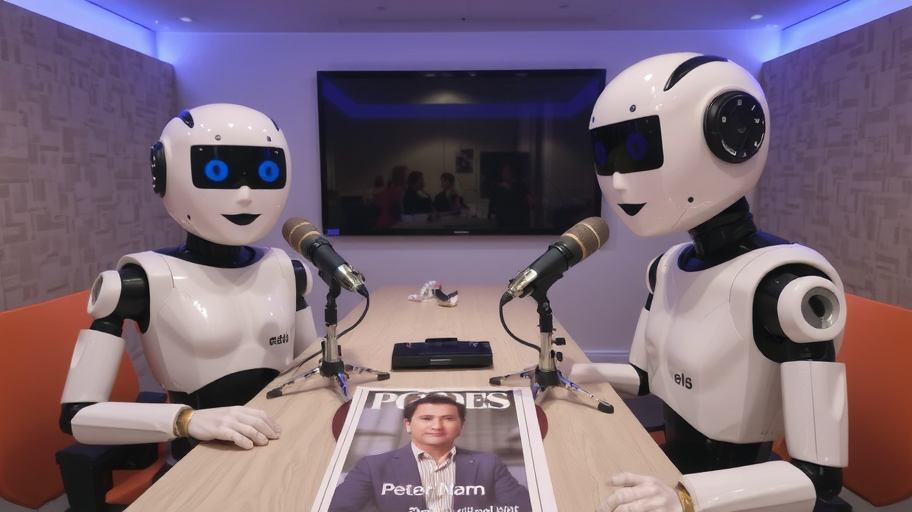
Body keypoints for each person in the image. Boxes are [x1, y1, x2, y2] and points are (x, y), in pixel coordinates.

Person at [579, 53, 849, 512]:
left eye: (640, 150)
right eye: (608, 154)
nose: (619, 182)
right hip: (666, 471)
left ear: (728, 137)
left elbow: (818, 479)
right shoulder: (668, 266)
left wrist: (688, 499)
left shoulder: (784, 287)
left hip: (733, 497)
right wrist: (578, 377)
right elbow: (648, 378)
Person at [59, 104, 320, 464]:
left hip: (281, 437)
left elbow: (311, 364)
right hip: (200, 456)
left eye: (266, 171)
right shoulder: (142, 281)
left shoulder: (285, 269)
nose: (245, 194)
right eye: (216, 170)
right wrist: (186, 420)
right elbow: (77, 416)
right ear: (164, 173)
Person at [328, 394, 533, 512]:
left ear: (462, 426)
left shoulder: (489, 463)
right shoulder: (372, 466)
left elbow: (521, 508)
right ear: (408, 424)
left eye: (448, 419)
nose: (437, 426)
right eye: (426, 418)